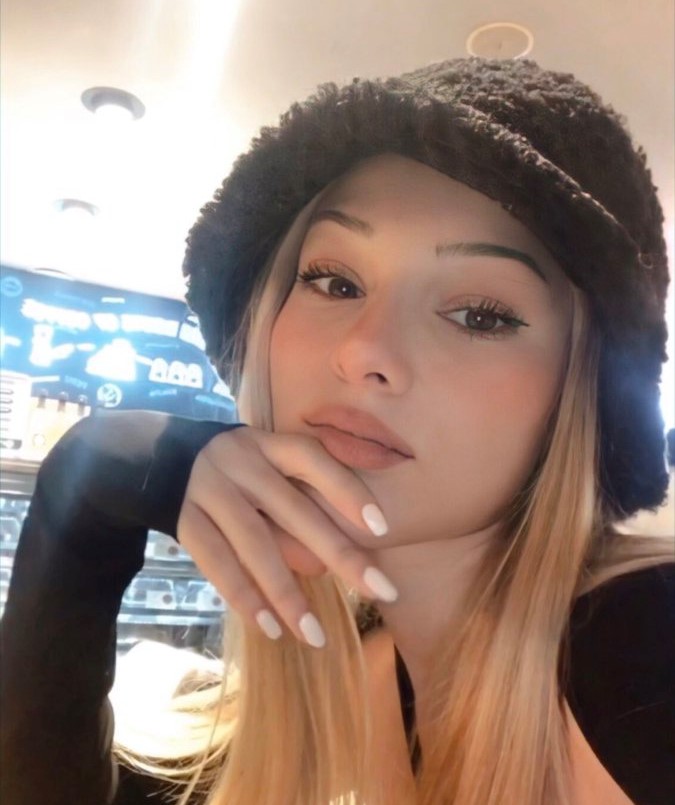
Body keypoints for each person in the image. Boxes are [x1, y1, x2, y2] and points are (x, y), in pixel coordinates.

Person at [1, 57, 674, 805]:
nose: (362, 350)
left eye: (481, 315)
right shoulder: (357, 678)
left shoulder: (647, 637)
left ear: (582, 393)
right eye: (334, 280)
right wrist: (90, 494)